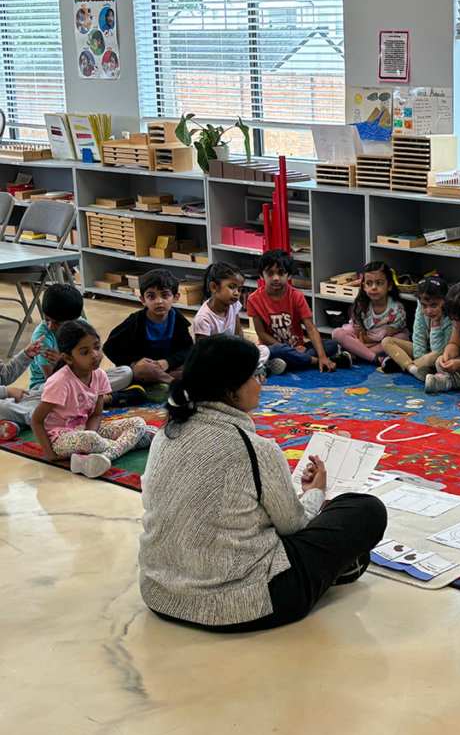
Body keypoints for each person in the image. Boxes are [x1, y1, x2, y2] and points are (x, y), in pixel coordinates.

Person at [138, 335, 388, 631]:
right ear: (231, 392)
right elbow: (295, 527)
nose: (263, 382)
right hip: (245, 604)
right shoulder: (254, 448)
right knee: (366, 509)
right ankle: (328, 571)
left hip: (161, 594)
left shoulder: (166, 435)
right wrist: (315, 493)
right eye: (257, 375)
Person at [30, 322, 149, 479]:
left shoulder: (100, 375)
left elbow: (96, 415)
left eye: (97, 347)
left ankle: (102, 456)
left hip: (87, 430)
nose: (94, 355)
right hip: (61, 438)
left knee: (139, 424)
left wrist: (91, 432)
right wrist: (50, 454)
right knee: (95, 440)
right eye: (84, 352)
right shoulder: (60, 381)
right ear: (68, 358)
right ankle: (119, 447)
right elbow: (36, 421)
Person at [28, 283, 143, 406]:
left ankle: (87, 399)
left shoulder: (83, 327)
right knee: (37, 401)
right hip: (50, 386)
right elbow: (52, 382)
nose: (50, 326)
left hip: (83, 379)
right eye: (46, 319)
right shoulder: (43, 338)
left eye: (58, 323)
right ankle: (105, 399)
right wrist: (60, 366)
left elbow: (94, 368)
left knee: (126, 372)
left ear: (77, 318)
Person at [246, 250, 343, 372]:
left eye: (281, 273)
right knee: (277, 350)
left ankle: (292, 361)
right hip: (275, 348)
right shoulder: (254, 299)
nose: (275, 278)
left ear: (289, 275)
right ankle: (315, 361)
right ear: (261, 275)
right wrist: (319, 358)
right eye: (270, 273)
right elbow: (261, 334)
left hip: (300, 347)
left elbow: (311, 329)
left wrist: (322, 355)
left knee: (332, 344)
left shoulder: (296, 296)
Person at [104, 269, 195, 396]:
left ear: (175, 297)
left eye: (165, 295)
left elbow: (188, 350)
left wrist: (167, 362)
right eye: (151, 297)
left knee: (194, 366)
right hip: (145, 369)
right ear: (143, 300)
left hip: (168, 367)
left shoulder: (178, 321)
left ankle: (159, 383)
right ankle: (174, 384)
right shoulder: (134, 322)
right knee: (145, 369)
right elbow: (109, 347)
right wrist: (133, 362)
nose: (159, 301)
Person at [192, 262, 285, 376]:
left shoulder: (233, 305)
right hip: (214, 359)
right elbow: (202, 353)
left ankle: (253, 368)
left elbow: (238, 333)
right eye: (231, 287)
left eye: (239, 289)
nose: (237, 293)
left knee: (263, 350)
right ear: (214, 287)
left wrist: (245, 351)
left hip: (232, 353)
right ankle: (257, 369)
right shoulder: (203, 318)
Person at [331, 261, 410, 366]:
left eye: (379, 283)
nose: (373, 287)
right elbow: (361, 336)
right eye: (369, 283)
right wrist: (362, 342)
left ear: (389, 286)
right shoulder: (361, 307)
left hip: (382, 341)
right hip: (366, 339)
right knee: (337, 333)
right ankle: (374, 358)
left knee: (402, 337)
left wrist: (363, 346)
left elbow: (385, 339)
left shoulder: (397, 309)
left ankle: (359, 353)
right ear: (363, 286)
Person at [379, 276, 453, 381]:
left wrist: (436, 323)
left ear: (444, 301)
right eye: (424, 306)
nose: (429, 311)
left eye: (434, 305)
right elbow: (418, 336)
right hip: (424, 355)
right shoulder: (420, 309)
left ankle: (403, 364)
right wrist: (420, 359)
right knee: (386, 341)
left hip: (438, 355)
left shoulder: (450, 317)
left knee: (435, 356)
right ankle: (412, 368)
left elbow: (441, 351)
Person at [0, 335, 47, 441]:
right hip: (3, 401)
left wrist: (26, 355)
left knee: (41, 391)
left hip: (7, 401)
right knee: (2, 407)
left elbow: (3, 375)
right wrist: (6, 391)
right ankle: (39, 419)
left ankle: (15, 424)